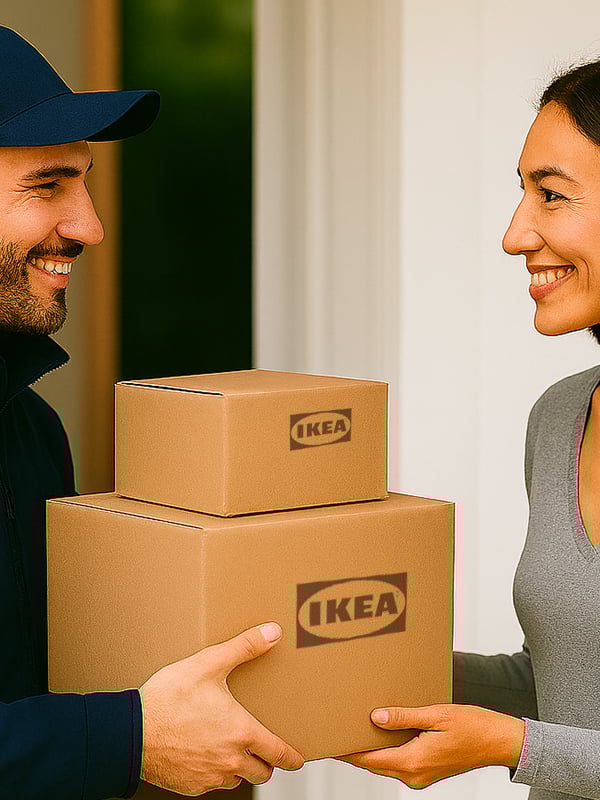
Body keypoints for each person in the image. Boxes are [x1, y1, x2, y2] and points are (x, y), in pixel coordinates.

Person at [0, 25, 303, 799]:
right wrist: (130, 738)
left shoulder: (30, 428)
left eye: (87, 182)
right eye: (48, 185)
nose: (90, 225)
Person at [342, 59, 600, 800]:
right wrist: (356, 670)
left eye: (551, 195)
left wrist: (510, 746)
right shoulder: (560, 420)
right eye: (522, 194)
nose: (516, 234)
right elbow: (560, 688)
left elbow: (537, 737)